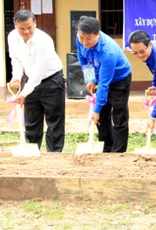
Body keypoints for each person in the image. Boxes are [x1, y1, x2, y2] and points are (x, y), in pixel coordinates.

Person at [7, 9, 65, 152]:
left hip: (51, 80)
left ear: (35, 23)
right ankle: (32, 153)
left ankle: (54, 155)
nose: (26, 31)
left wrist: (23, 94)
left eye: (29, 27)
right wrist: (16, 77)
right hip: (30, 81)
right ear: (15, 25)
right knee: (31, 121)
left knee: (54, 121)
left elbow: (38, 73)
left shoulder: (43, 41)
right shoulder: (12, 37)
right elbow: (16, 60)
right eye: (22, 28)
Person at [76, 16, 132, 153]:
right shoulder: (80, 38)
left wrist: (95, 109)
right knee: (102, 118)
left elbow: (104, 84)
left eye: (89, 38)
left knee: (118, 116)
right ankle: (107, 148)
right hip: (99, 76)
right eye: (81, 37)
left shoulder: (108, 51)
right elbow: (83, 59)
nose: (84, 42)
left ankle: (119, 152)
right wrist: (90, 78)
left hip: (119, 79)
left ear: (98, 34)